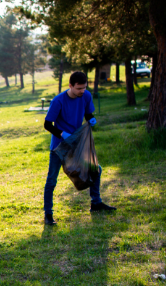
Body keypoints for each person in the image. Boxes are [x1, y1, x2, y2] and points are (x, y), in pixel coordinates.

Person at [43, 71, 116, 225]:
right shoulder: (58, 101)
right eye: (79, 88)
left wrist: (91, 119)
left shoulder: (86, 96)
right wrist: (62, 134)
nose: (82, 91)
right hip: (59, 146)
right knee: (51, 180)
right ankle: (48, 215)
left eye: (84, 88)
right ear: (70, 86)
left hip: (76, 143)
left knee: (96, 169)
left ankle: (96, 203)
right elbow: (47, 124)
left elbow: (88, 114)